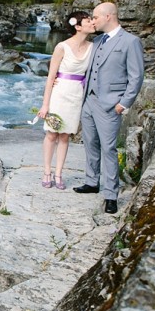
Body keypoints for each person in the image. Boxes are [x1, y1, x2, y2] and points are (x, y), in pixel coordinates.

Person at [73, 2, 145, 214]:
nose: (93, 21)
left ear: (107, 16)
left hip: (111, 104)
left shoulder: (131, 42)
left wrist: (124, 103)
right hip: (90, 101)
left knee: (109, 149)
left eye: (95, 17)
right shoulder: (97, 41)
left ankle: (111, 194)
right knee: (90, 143)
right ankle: (91, 182)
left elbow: (136, 76)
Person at [37, 11, 95, 190]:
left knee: (65, 135)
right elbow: (50, 76)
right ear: (77, 26)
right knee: (52, 133)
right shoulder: (62, 47)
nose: (92, 22)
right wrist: (45, 104)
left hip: (77, 94)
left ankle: (59, 173)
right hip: (59, 93)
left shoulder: (93, 47)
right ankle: (47, 171)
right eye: (88, 20)